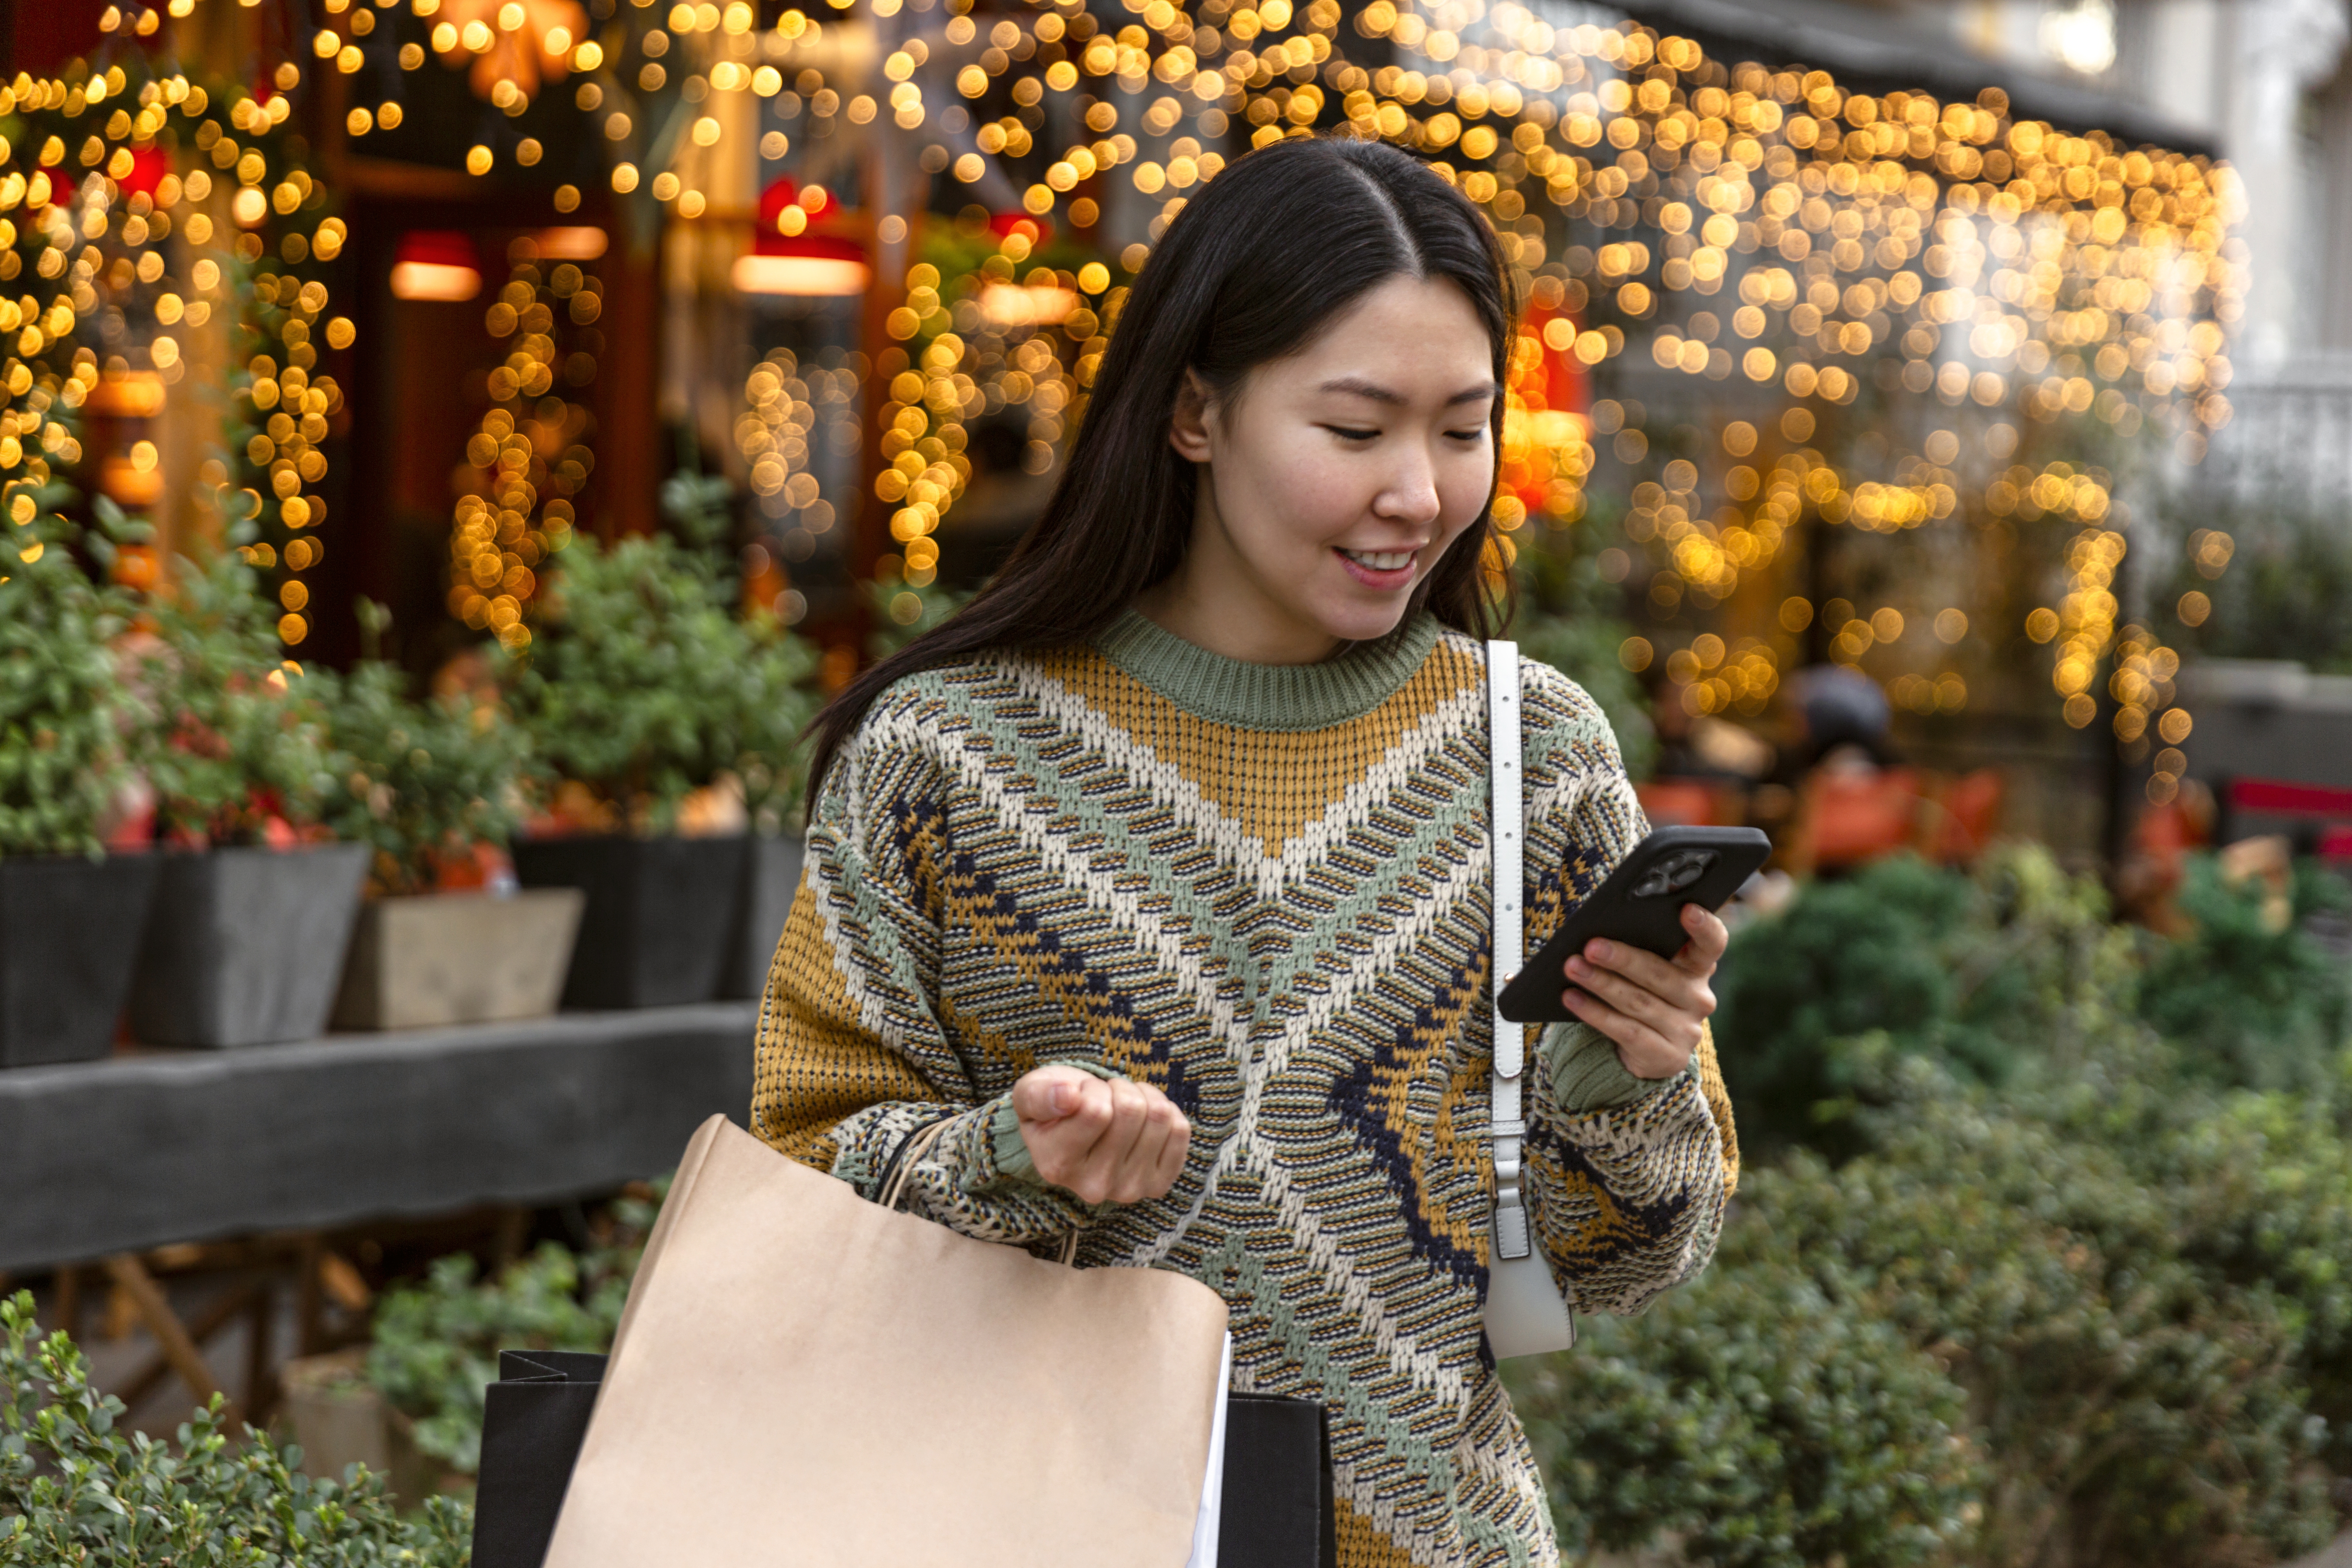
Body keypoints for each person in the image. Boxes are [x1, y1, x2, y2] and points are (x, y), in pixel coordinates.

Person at [753, 136, 1737, 1566]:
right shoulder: (948, 758)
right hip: (1030, 1529)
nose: (1419, 492)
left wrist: (1625, 1079)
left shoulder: (1537, 754)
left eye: (1463, 430)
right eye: (1356, 430)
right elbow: (801, 1183)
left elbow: (1632, 1265)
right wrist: (1010, 1160)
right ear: (1197, 411)